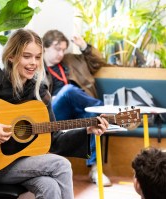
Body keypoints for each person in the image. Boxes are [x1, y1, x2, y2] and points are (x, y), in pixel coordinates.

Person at [0, 29, 109, 199]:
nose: (33, 63)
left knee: (49, 186)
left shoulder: (40, 92)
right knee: (62, 164)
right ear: (11, 56)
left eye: (37, 57)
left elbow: (54, 140)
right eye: (27, 56)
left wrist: (86, 130)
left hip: (19, 164)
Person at [42, 29, 112, 186]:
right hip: (52, 112)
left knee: (93, 118)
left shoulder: (70, 61)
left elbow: (98, 63)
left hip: (76, 111)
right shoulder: (38, 68)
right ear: (45, 47)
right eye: (56, 48)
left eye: (63, 49)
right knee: (68, 91)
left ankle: (95, 169)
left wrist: (83, 46)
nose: (61, 53)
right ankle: (106, 110)